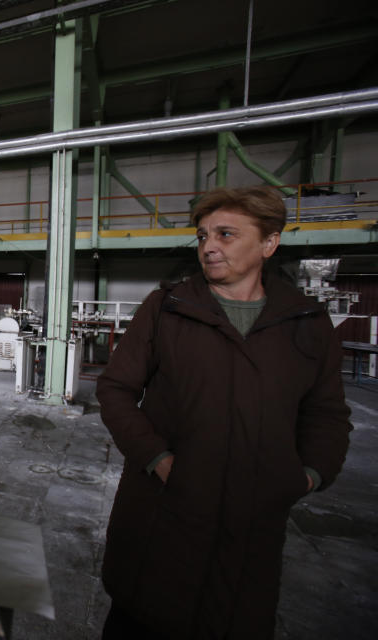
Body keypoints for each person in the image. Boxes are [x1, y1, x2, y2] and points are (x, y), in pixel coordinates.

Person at [95, 185, 352, 639]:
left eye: (226, 234)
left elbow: (326, 414)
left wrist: (309, 474)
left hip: (252, 527)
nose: (209, 246)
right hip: (165, 512)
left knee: (232, 615)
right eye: (203, 236)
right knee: (145, 615)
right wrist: (157, 458)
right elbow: (116, 389)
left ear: (269, 243)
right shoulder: (167, 309)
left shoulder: (307, 324)